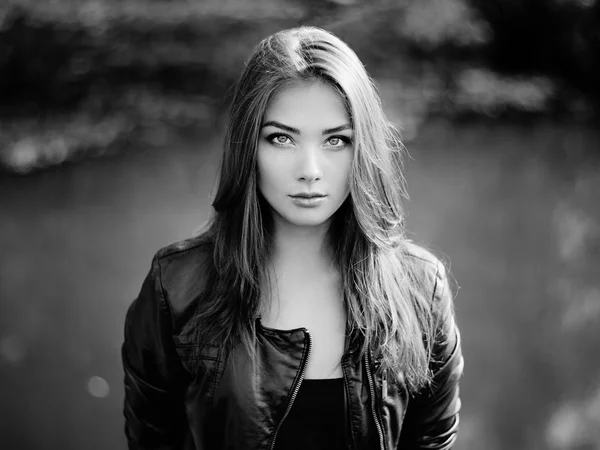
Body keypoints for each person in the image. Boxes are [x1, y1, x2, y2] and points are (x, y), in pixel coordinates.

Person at [122, 26, 463, 450]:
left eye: (336, 140)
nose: (310, 169)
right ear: (249, 146)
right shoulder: (175, 288)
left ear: (365, 149)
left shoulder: (420, 290)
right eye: (281, 138)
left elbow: (432, 441)